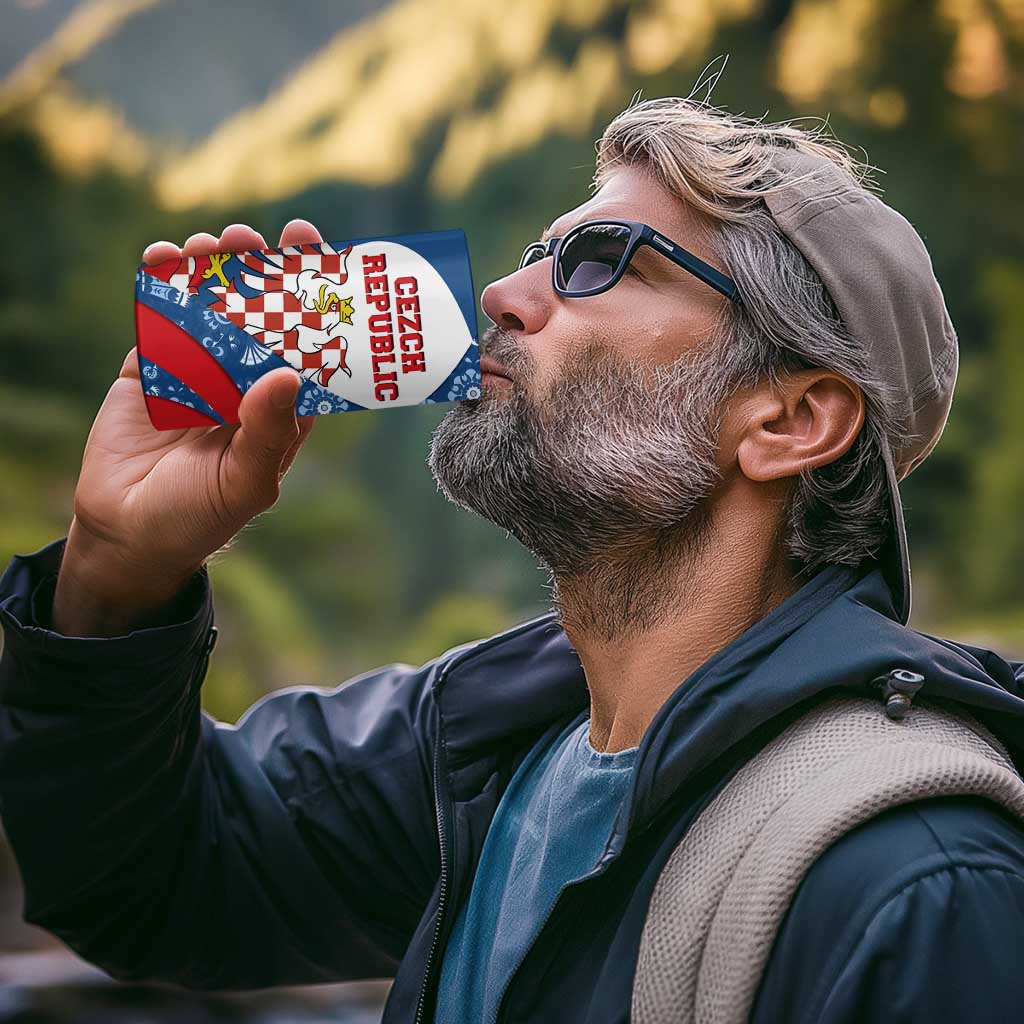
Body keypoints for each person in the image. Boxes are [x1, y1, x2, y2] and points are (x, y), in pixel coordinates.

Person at [2, 94, 1024, 1024]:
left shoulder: (918, 886)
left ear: (790, 421)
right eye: (541, 251)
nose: (502, 291)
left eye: (601, 261)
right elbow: (149, 880)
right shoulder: (483, 747)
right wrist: (116, 573)